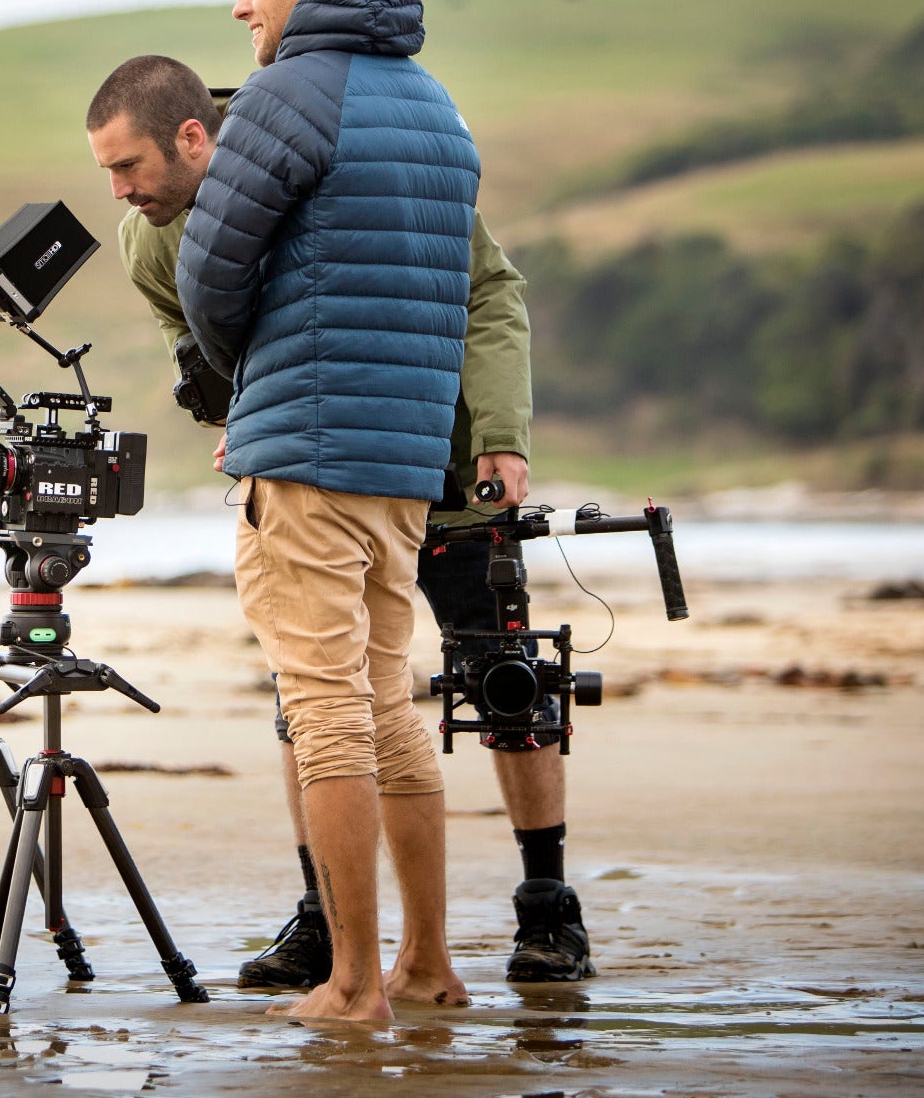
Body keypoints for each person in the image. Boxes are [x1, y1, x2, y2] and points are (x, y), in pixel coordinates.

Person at [91, 49, 594, 994]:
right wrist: (239, 415)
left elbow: (489, 287)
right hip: (313, 466)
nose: (120, 194)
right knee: (316, 702)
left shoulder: (346, 156)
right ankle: (328, 917)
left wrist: (502, 433)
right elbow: (196, 349)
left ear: (191, 137)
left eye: (131, 169)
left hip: (445, 459)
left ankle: (547, 905)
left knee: (507, 679)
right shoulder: (147, 239)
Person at [114, 0, 472, 1021]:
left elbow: (210, 275)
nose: (238, 7)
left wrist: (235, 381)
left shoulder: (282, 97)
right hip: (403, 456)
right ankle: (424, 964)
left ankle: (353, 983)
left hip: (305, 447)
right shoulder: (435, 106)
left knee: (322, 706)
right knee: (385, 700)